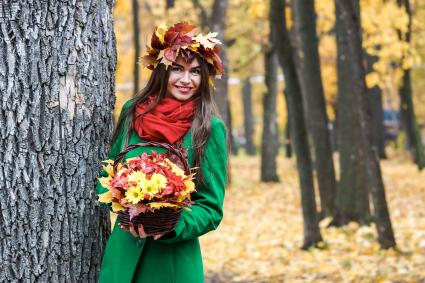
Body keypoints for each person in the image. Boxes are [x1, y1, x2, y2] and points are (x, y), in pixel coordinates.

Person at [96, 22, 228, 283]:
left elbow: (211, 207)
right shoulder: (134, 111)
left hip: (171, 262)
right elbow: (108, 171)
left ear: (204, 78)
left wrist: (169, 225)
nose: (186, 80)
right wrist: (120, 198)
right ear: (162, 70)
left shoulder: (208, 127)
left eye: (195, 72)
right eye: (177, 69)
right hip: (122, 255)